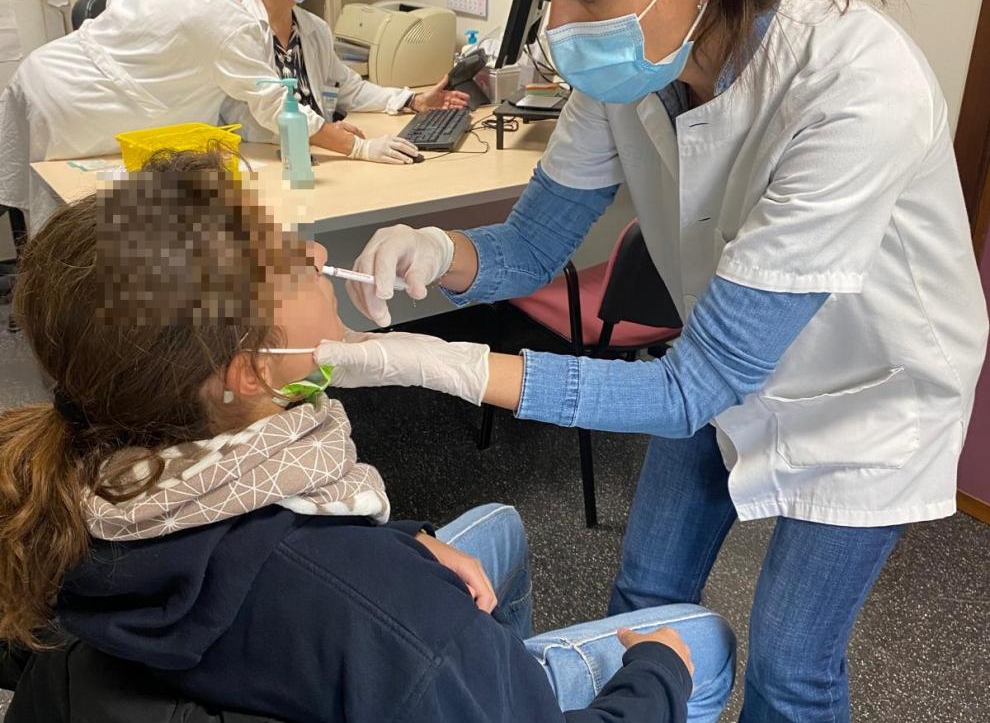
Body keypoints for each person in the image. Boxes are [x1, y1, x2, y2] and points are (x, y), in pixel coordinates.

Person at [316, 0, 990, 721]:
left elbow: (692, 387)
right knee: (642, 597)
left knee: (791, 661)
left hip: (868, 391)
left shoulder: (854, 80)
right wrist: (437, 251)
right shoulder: (637, 70)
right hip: (714, 351)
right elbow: (533, 243)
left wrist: (437, 363)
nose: (558, 29)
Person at [0, 149, 736, 722]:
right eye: (292, 260)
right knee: (702, 642)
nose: (319, 255)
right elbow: (370, 611)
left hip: (309, 639)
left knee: (502, 529)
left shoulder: (92, 475)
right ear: (253, 370)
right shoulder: (387, 615)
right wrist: (656, 676)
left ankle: (495, 672)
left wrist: (402, 538)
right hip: (394, 649)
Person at [0, 0, 361, 234]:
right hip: (73, 106)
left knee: (77, 226)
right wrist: (357, 147)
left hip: (48, 76)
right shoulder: (224, 19)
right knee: (74, 230)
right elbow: (272, 101)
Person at [220, 0, 470, 165]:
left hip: (317, 153)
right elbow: (268, 110)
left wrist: (413, 100)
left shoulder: (313, 28)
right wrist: (357, 147)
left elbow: (350, 88)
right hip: (263, 159)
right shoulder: (238, 28)